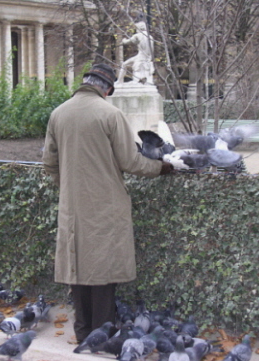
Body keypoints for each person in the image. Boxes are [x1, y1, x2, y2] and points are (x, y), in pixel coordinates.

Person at [42, 63, 174, 344]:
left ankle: (82, 331)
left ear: (84, 83)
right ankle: (101, 334)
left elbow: (49, 164)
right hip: (106, 204)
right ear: (108, 90)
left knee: (78, 266)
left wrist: (68, 189)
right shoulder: (110, 114)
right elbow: (130, 161)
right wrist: (161, 168)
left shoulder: (58, 114)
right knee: (103, 269)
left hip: (72, 204)